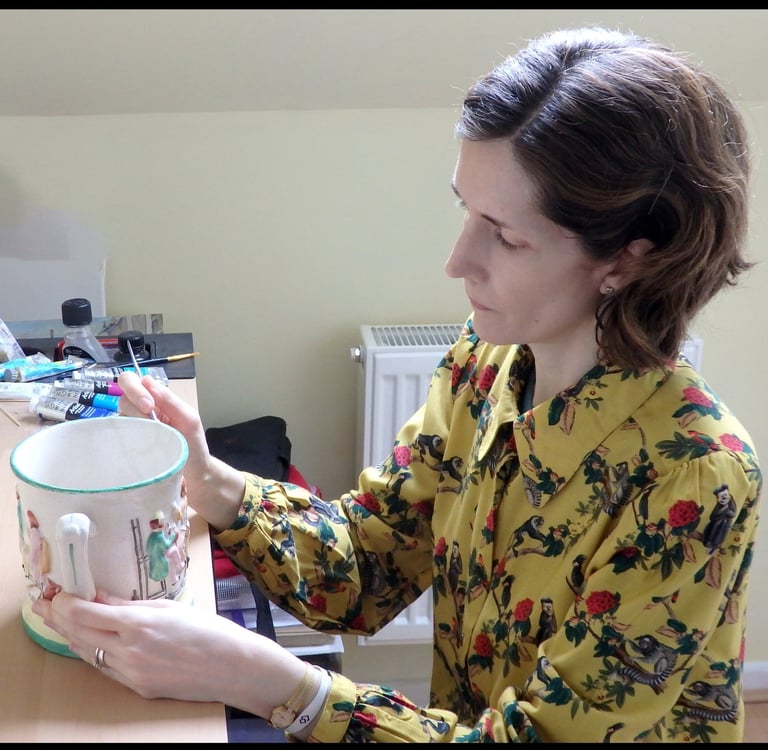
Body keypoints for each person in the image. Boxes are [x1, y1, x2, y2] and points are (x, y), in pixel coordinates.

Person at [32, 25, 762, 742]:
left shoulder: (694, 479)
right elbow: (366, 566)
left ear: (629, 259)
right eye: (465, 209)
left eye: (507, 236)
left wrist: (268, 681)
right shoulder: (487, 361)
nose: (457, 261)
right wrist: (209, 480)